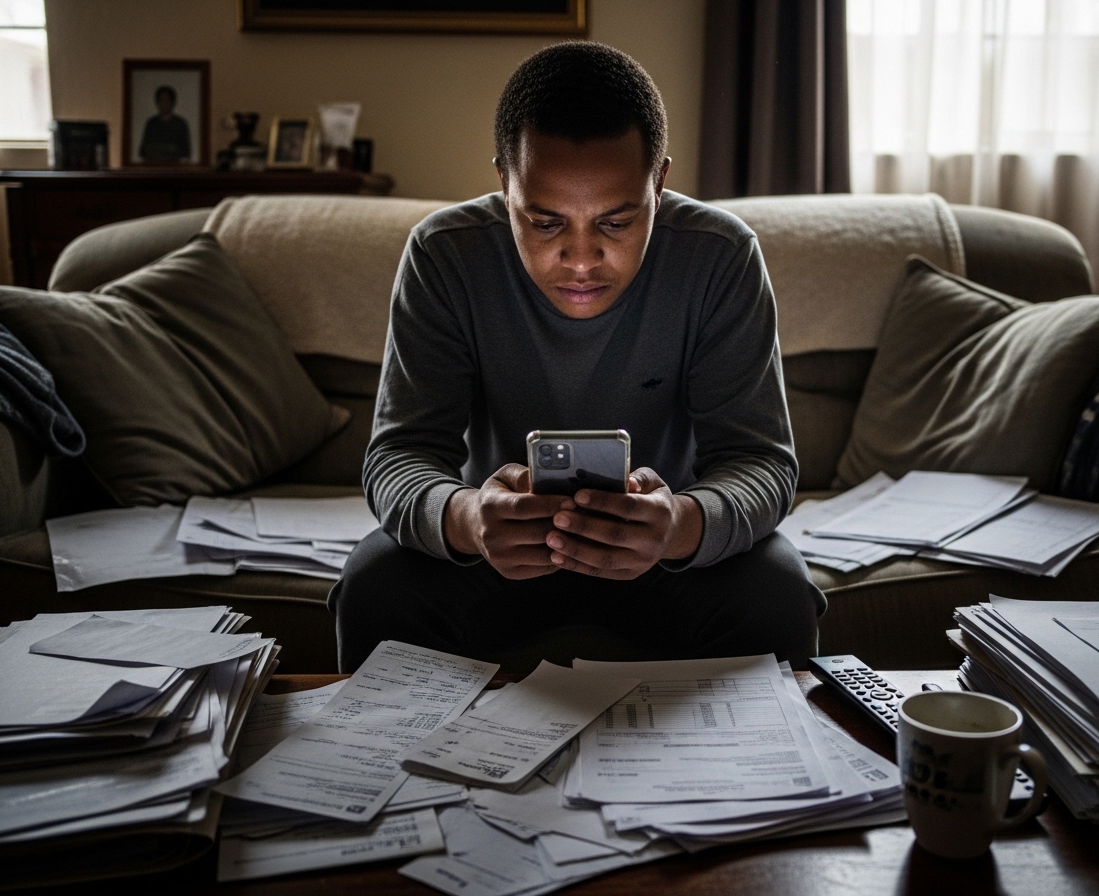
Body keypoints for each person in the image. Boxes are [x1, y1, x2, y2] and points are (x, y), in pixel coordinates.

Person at [328, 42, 825, 672]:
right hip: (499, 556)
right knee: (375, 583)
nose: (583, 260)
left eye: (617, 223)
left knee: (777, 589)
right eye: (544, 223)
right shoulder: (444, 255)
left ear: (660, 182)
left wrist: (679, 525)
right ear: (504, 183)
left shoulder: (720, 257)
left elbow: (762, 463)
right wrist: (468, 518)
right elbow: (398, 455)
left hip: (665, 554)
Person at [138, 85, 191, 164]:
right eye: (161, 101)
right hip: (154, 167)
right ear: (157, 103)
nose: (164, 104)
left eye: (167, 101)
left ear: (172, 102)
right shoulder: (151, 123)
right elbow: (144, 151)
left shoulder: (179, 124)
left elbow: (185, 152)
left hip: (175, 168)